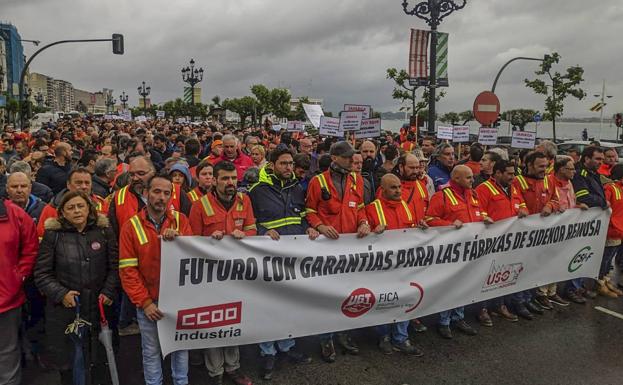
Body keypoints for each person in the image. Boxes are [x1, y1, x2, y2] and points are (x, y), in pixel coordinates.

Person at [34, 191, 118, 385]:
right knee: (72, 363)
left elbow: (115, 267)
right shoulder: (53, 235)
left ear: (89, 208)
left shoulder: (104, 231)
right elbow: (41, 273)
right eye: (70, 208)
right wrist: (61, 293)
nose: (77, 211)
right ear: (62, 213)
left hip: (99, 308)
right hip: (67, 312)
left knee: (100, 359)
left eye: (81, 206)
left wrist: (108, 291)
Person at [248, 147, 316, 380]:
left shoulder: (297, 188)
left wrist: (308, 226)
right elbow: (250, 221)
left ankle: (287, 347)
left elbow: (303, 215)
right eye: (284, 164)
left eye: (290, 164)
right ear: (273, 165)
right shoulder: (257, 191)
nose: (288, 168)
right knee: (268, 306)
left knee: (289, 304)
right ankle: (267, 352)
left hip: (294, 258)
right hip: (268, 259)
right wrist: (263, 231)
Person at [118, 175, 192, 385]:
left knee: (180, 347)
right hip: (150, 302)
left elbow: (193, 257)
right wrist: (145, 303)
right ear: (146, 193)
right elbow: (128, 270)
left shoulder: (181, 220)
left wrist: (179, 240)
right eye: (156, 192)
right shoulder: (131, 226)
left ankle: (181, 382)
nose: (161, 197)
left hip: (179, 299)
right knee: (151, 350)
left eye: (166, 193)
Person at [188, 161, 254, 385]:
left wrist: (244, 233)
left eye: (234, 178)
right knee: (214, 322)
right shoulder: (199, 205)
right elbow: (191, 242)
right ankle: (215, 372)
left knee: (233, 319)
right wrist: (208, 240)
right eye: (225, 179)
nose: (231, 183)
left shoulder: (245, 200)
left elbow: (252, 228)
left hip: (236, 274)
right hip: (210, 276)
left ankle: (233, 368)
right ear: (214, 180)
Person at [305, 141, 370, 362]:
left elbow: (360, 207)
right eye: (348, 158)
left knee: (349, 293)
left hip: (352, 248)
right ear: (334, 158)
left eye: (353, 158)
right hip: (328, 251)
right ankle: (326, 338)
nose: (353, 161)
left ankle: (344, 333)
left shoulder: (357, 180)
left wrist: (363, 223)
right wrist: (320, 226)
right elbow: (310, 210)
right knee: (329, 295)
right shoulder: (318, 181)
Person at [366, 174, 423, 356]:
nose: (398, 191)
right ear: (382, 189)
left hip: (405, 266)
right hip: (382, 268)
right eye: (393, 188)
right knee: (384, 302)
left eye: (399, 187)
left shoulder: (406, 205)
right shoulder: (372, 209)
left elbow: (412, 229)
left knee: (404, 300)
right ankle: (383, 336)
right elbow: (361, 239)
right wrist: (373, 233)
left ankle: (400, 337)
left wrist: (420, 226)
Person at [425, 165, 485, 338]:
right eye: (468, 178)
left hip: (470, 251)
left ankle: (458, 318)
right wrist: (449, 225)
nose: (472, 181)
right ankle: (444, 321)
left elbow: (479, 213)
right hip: (451, 253)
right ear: (456, 178)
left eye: (472, 178)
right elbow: (429, 219)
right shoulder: (442, 196)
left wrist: (485, 217)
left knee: (464, 286)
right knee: (449, 287)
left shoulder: (473, 195)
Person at [475, 160, 528, 324]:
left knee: (504, 274)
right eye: (509, 174)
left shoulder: (513, 188)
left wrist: (523, 211)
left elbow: (523, 204)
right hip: (491, 240)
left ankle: (499, 304)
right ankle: (482, 308)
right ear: (497, 173)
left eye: (514, 173)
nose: (513, 177)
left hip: (510, 241)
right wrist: (484, 217)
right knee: (486, 275)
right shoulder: (483, 189)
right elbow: (477, 210)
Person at [511, 151, 560, 315]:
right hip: (523, 236)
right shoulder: (518, 181)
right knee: (521, 269)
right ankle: (519, 301)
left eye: (546, 166)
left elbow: (555, 199)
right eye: (540, 166)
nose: (544, 169)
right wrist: (522, 208)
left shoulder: (549, 179)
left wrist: (551, 206)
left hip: (541, 236)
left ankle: (529, 298)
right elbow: (515, 200)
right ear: (529, 165)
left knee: (534, 268)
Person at [0, 196, 38, 385]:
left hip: (7, 299)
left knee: (7, 351)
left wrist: (18, 276)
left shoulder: (15, 214)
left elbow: (30, 249)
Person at [548, 156, 588, 304]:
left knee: (558, 262)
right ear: (560, 169)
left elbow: (569, 203)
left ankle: (552, 292)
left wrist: (578, 207)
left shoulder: (569, 183)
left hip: (565, 230)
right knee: (548, 262)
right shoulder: (550, 181)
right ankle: (542, 293)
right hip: (552, 230)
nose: (574, 172)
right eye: (570, 169)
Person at [36, 168, 109, 239]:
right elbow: (42, 239)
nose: (84, 186)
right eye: (79, 183)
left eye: (87, 183)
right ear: (68, 184)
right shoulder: (52, 208)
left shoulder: (102, 204)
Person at [603, 164, 623, 294]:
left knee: (608, 258)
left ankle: (605, 279)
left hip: (619, 231)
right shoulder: (610, 188)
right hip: (611, 230)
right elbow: (605, 208)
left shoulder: (620, 188)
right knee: (605, 258)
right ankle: (600, 282)